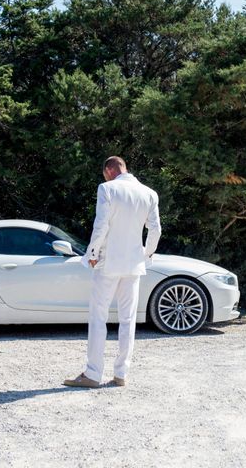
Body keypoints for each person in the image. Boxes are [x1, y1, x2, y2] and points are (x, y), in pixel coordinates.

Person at [64, 156, 161, 388]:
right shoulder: (149, 193)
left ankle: (93, 373)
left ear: (109, 170)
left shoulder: (107, 189)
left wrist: (92, 254)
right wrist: (146, 255)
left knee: (98, 317)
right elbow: (155, 230)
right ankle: (121, 374)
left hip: (108, 263)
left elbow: (102, 225)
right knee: (128, 319)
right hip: (134, 266)